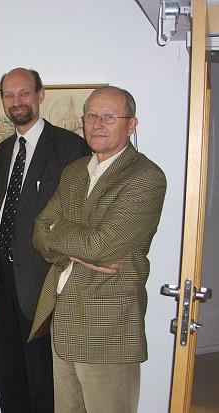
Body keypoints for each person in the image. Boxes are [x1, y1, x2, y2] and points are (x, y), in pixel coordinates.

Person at [29, 86, 167, 412]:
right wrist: (75, 248)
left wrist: (60, 233)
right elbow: (38, 231)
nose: (97, 124)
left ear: (131, 124)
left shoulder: (145, 177)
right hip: (62, 317)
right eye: (91, 116)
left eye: (109, 117)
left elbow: (101, 246)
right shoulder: (75, 171)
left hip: (108, 326)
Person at [0, 67, 90, 412]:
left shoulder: (70, 147)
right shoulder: (2, 151)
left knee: (43, 380)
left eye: (24, 93)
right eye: (9, 95)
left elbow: (77, 216)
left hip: (44, 282)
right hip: (3, 281)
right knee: (8, 375)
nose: (17, 102)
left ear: (40, 94)